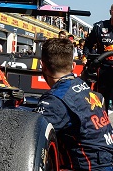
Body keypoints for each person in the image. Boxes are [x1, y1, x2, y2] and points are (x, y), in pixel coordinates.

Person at [35, 38, 113, 170]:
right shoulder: (85, 88)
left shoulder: (55, 100)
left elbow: (30, 135)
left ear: (43, 66)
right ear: (72, 66)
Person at [84, 4, 113, 111]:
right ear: (111, 12)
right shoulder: (99, 27)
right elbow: (88, 45)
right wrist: (89, 59)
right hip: (103, 69)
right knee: (100, 99)